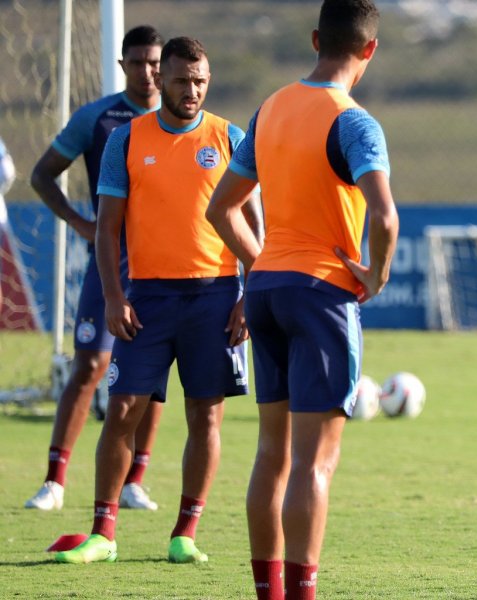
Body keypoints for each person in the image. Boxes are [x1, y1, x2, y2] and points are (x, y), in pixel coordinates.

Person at [205, 1, 397, 597]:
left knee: (272, 454)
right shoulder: (355, 121)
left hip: (265, 289)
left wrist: (259, 261)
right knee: (315, 463)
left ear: (316, 38)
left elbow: (221, 208)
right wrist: (377, 274)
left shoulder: (270, 109)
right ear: (369, 50)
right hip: (321, 295)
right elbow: (385, 218)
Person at [53, 35, 254, 566]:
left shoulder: (231, 138)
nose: (193, 91)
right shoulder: (125, 139)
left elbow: (257, 229)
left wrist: (248, 297)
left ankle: (185, 533)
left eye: (201, 81)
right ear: (160, 78)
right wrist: (115, 296)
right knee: (121, 408)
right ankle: (103, 533)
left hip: (216, 296)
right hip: (147, 298)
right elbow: (107, 230)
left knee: (204, 416)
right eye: (183, 80)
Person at [25, 25, 166, 512]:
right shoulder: (97, 118)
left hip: (165, 267)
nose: (148, 73)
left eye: (156, 63)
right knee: (89, 364)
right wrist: (80, 224)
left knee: (154, 376)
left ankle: (133, 482)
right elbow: (41, 175)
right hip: (108, 263)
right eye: (139, 62)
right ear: (123, 64)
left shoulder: (184, 119)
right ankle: (55, 482)